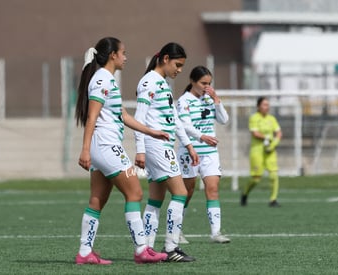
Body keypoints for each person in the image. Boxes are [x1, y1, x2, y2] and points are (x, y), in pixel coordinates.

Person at [75, 37, 169, 265]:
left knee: (97, 200)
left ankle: (85, 253)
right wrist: (85, 150)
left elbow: (124, 116)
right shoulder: (102, 80)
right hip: (106, 146)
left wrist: (151, 132)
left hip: (103, 147)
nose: (126, 57)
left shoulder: (107, 79)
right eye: (123, 53)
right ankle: (141, 249)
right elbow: (92, 117)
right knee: (135, 193)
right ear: (112, 56)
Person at [134, 42, 199, 262]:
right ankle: (171, 248)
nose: (179, 70)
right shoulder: (149, 82)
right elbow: (139, 119)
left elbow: (175, 119)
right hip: (157, 146)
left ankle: (147, 248)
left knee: (155, 199)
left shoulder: (161, 83)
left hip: (162, 146)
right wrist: (140, 150)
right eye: (177, 64)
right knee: (180, 194)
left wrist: (189, 145)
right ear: (165, 59)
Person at [176, 66, 230, 244]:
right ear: (193, 81)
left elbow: (224, 120)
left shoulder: (209, 99)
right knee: (187, 192)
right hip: (190, 152)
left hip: (210, 153)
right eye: (203, 83)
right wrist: (202, 137)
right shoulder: (184, 101)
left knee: (213, 189)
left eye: (209, 84)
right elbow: (184, 126)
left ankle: (216, 233)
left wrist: (216, 99)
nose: (206, 87)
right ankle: (177, 230)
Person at [241, 96, 282, 207]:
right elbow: (255, 133)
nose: (266, 107)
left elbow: (278, 133)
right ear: (258, 106)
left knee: (274, 175)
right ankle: (245, 193)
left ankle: (273, 199)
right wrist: (267, 138)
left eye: (268, 105)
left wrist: (273, 144)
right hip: (257, 151)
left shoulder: (271, 119)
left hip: (270, 151)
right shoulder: (254, 118)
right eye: (264, 105)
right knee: (256, 179)